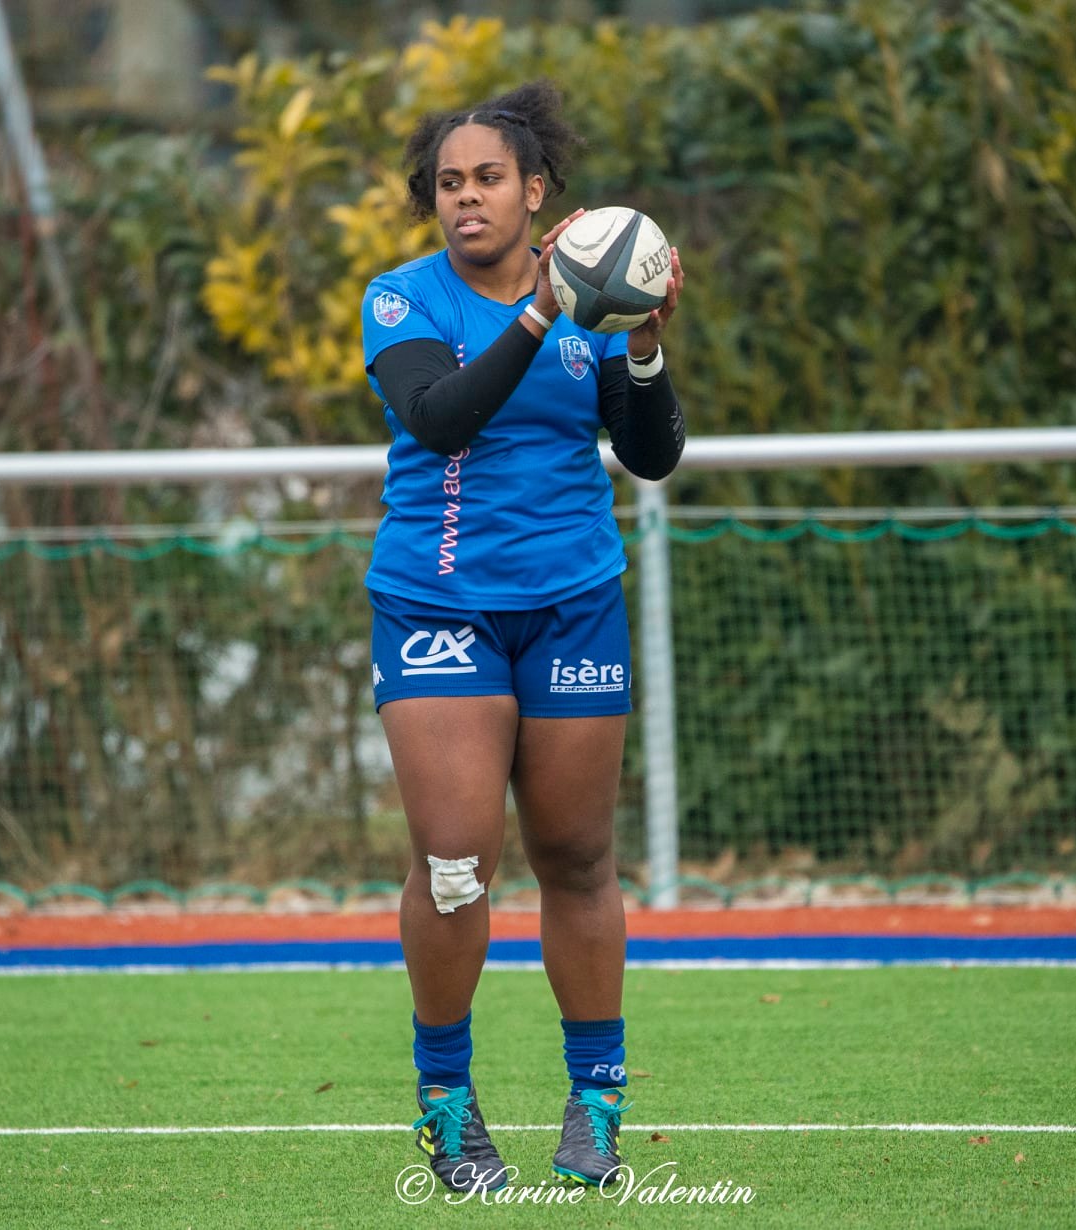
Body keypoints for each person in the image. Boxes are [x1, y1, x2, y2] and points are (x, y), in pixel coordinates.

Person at [358, 79, 685, 1194]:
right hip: (438, 606)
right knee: (455, 864)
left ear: (536, 189)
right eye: (448, 184)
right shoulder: (402, 302)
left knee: (579, 858)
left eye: (487, 178)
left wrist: (638, 344)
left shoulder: (592, 324)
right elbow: (441, 417)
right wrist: (545, 311)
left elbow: (650, 457)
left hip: (574, 601)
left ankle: (596, 1107)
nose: (465, 199)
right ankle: (446, 1102)